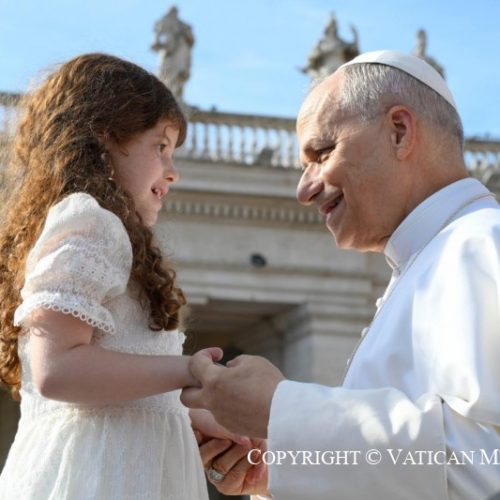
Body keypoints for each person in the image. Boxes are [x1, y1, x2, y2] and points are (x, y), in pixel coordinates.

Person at [182, 50, 500, 499]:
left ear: (399, 132)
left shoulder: (480, 244)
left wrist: (282, 410)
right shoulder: (428, 260)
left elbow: (487, 465)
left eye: (323, 152)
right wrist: (281, 468)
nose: (304, 189)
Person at [0, 53, 244, 499]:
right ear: (105, 137)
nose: (173, 170)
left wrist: (190, 416)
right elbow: (57, 370)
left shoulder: (105, 233)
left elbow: (110, 388)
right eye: (161, 146)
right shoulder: (91, 222)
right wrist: (188, 370)